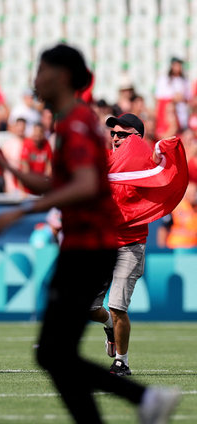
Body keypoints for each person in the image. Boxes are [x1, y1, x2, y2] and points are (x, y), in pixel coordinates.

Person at [0, 44, 180, 424]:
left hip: (92, 246)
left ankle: (140, 392)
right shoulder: (73, 124)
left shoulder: (75, 124)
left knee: (55, 353)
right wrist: (2, 162)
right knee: (56, 355)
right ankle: (142, 398)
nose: (35, 79)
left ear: (62, 77)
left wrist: (24, 210)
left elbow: (82, 186)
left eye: (42, 70)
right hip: (85, 244)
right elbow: (58, 182)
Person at [88, 113, 187, 377]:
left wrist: (162, 148)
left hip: (130, 244)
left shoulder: (145, 160)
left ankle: (122, 361)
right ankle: (108, 325)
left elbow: (161, 161)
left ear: (137, 139)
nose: (115, 138)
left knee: (118, 306)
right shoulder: (106, 162)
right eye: (113, 133)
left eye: (122, 134)